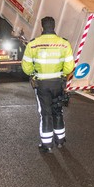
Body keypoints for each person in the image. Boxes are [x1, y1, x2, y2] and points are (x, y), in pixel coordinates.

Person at [22, 16, 75, 153]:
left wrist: (34, 74)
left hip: (42, 84)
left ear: (41, 27)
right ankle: (60, 141)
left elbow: (26, 67)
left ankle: (47, 145)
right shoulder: (64, 43)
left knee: (45, 113)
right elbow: (70, 67)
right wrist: (62, 74)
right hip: (58, 83)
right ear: (54, 26)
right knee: (58, 110)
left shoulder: (33, 44)